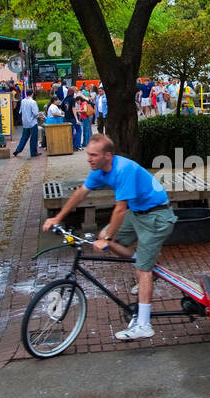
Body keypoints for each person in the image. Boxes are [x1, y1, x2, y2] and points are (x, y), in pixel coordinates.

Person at [42, 134, 175, 342]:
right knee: (107, 239)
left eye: (93, 155)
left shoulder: (123, 170)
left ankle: (144, 325)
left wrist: (107, 236)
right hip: (137, 213)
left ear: (108, 156)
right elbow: (80, 194)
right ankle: (146, 261)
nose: (89, 159)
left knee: (141, 268)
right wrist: (57, 218)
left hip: (157, 216)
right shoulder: (99, 171)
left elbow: (120, 210)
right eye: (88, 154)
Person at [13, 89, 40, 157]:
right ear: (32, 94)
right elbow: (36, 113)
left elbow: (20, 111)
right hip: (32, 122)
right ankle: (33, 152)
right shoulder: (33, 102)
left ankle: (18, 149)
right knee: (33, 138)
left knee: (24, 137)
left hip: (25, 122)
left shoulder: (23, 101)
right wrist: (37, 117)